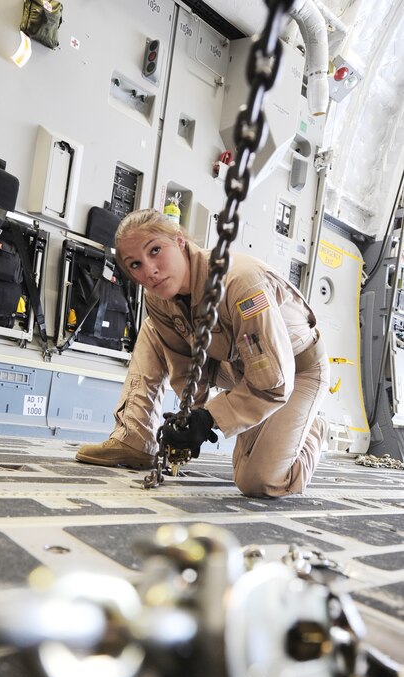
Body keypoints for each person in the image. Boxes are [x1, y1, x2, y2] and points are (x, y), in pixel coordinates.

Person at [76, 209, 330, 498]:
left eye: (155, 250)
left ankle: (311, 430)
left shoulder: (242, 284)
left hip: (294, 373)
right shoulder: (158, 298)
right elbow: (183, 363)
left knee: (258, 482)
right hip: (239, 368)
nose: (149, 270)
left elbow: (273, 380)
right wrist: (190, 418)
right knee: (152, 329)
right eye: (135, 264)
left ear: (180, 241)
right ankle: (134, 436)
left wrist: (208, 419)